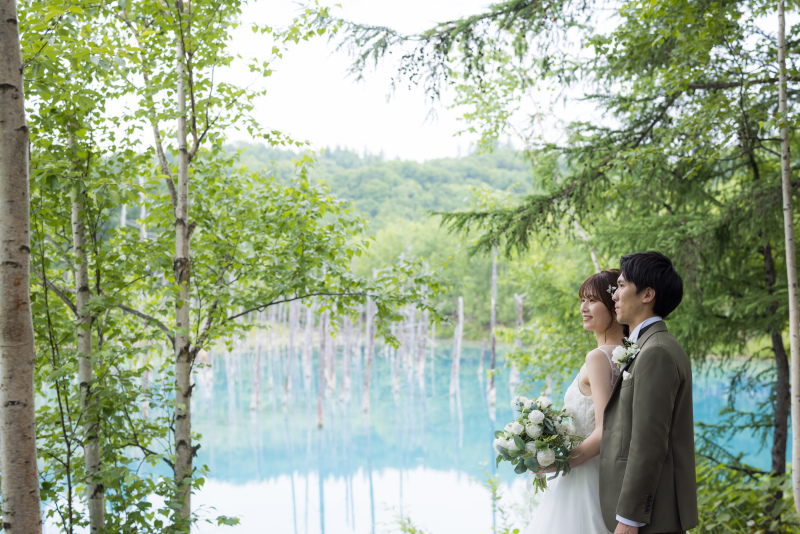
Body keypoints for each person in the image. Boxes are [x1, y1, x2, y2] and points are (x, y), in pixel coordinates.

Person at [601, 251, 698, 534]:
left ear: (647, 294)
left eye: (621, 286)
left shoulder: (656, 352)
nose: (614, 296)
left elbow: (649, 443)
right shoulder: (649, 346)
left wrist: (629, 519)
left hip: (651, 517)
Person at [525, 269, 625, 534]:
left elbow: (604, 431)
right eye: (582, 300)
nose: (583, 307)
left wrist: (558, 462)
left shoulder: (599, 358)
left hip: (586, 476)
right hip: (614, 475)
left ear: (614, 304)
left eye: (592, 300)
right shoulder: (630, 353)